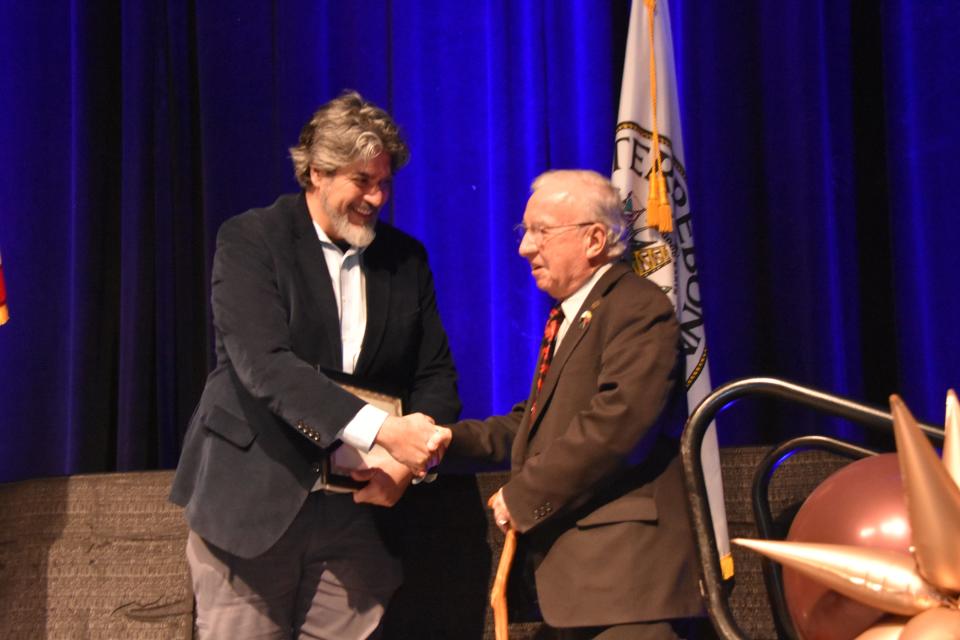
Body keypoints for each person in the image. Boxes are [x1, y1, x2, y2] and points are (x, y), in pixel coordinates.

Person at [170, 90, 460, 639]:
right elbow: (264, 365)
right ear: (317, 174)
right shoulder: (251, 239)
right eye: (362, 180)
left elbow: (436, 377)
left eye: (384, 182)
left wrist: (406, 463)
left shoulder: (406, 260)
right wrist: (385, 431)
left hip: (358, 518)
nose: (377, 196)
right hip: (254, 502)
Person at [446, 170, 703, 639]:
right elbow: (538, 423)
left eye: (540, 231)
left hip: (627, 588)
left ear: (594, 239)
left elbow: (620, 424)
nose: (525, 248)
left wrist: (522, 497)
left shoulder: (637, 307)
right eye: (525, 233)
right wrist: (443, 440)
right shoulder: (575, 315)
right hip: (582, 591)